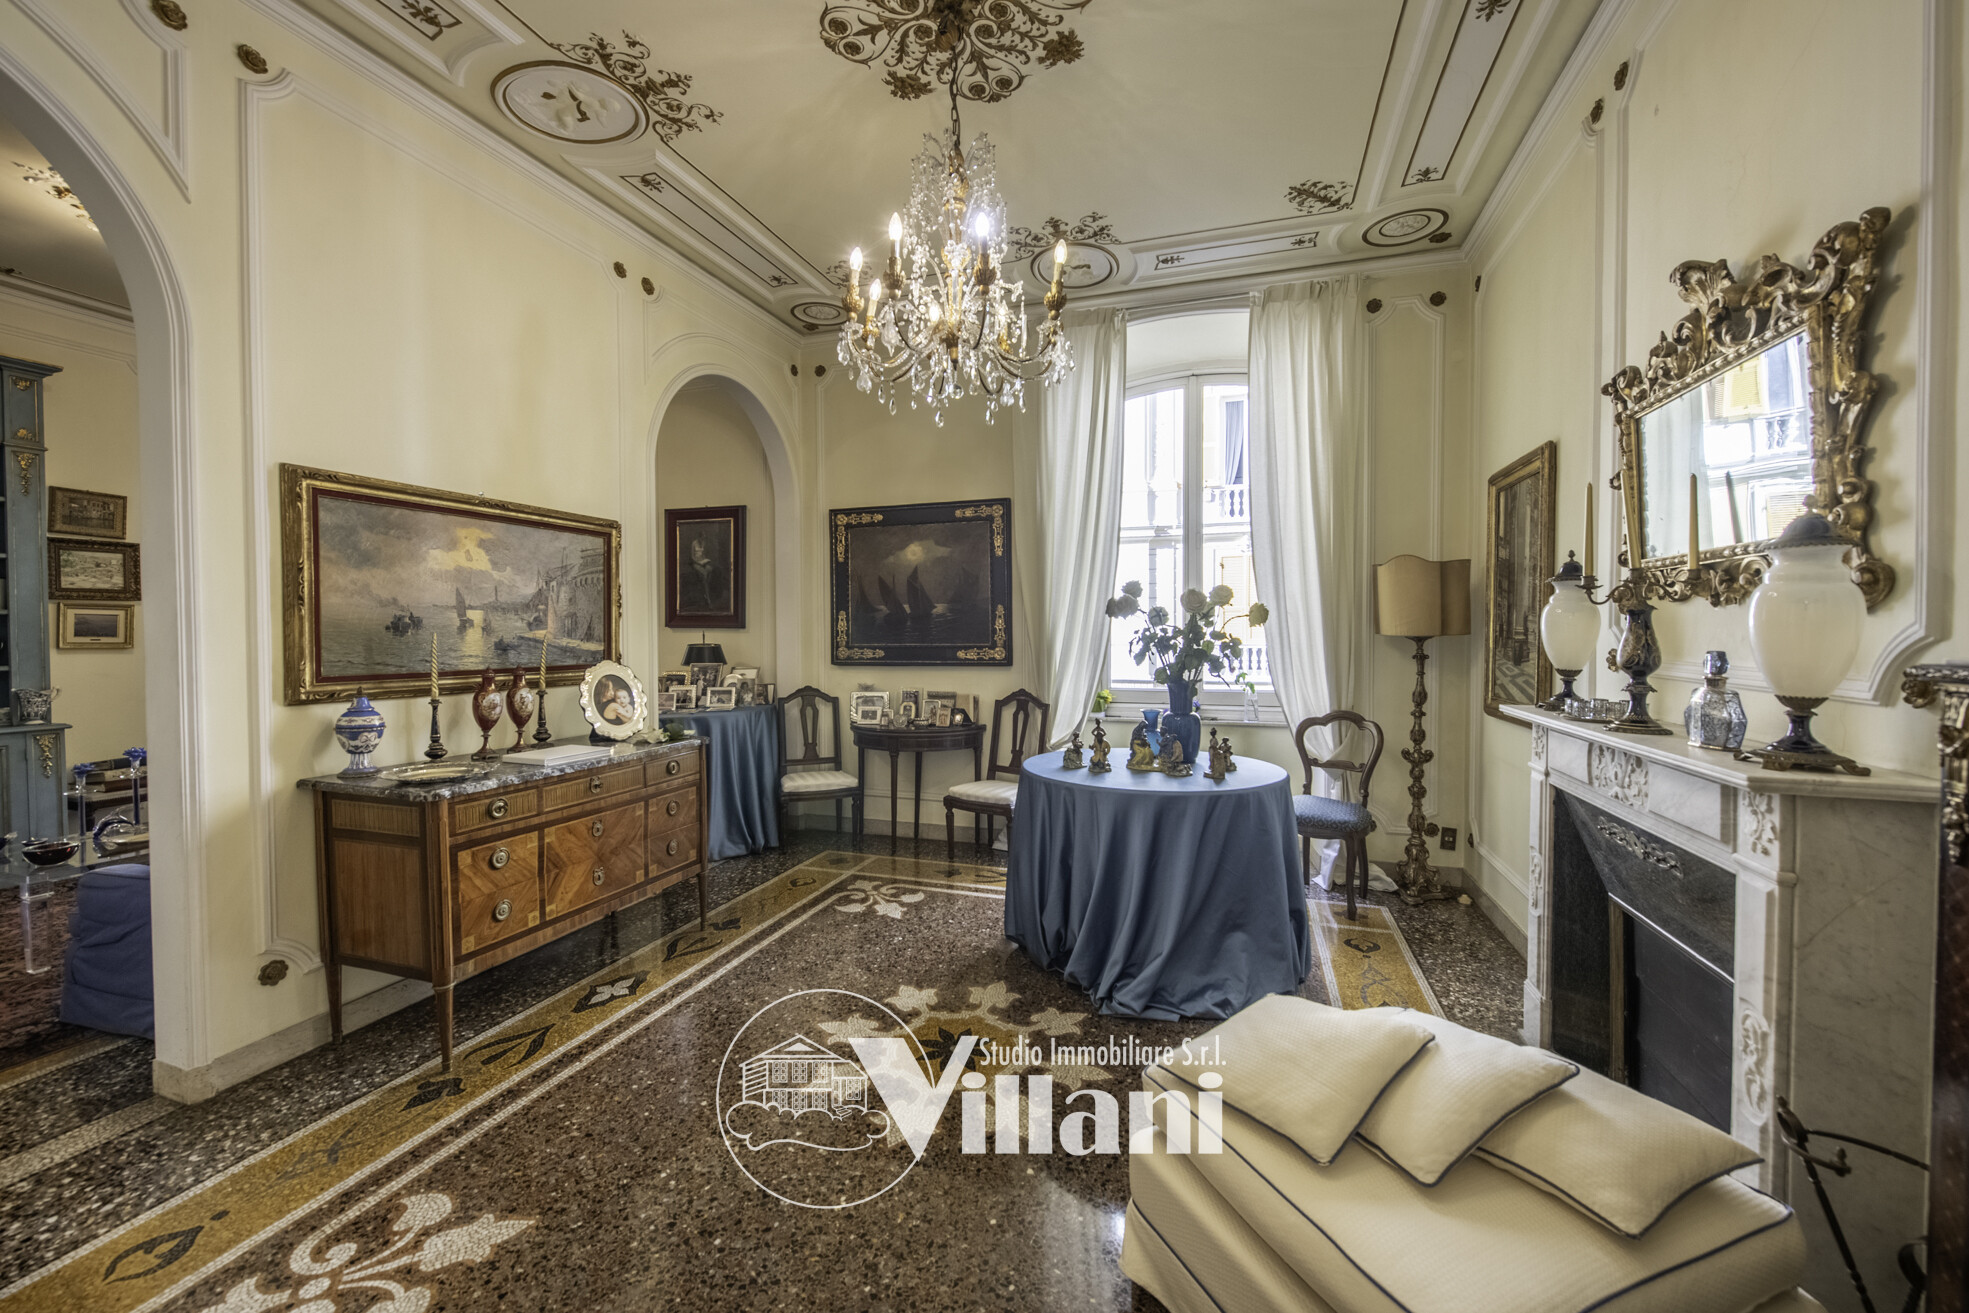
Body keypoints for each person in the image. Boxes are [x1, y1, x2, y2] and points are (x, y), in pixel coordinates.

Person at [677, 531, 730, 615]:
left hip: (702, 561)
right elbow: (692, 557)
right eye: (702, 538)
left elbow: (703, 555)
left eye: (704, 538)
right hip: (695, 563)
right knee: (704, 574)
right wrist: (698, 562)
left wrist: (705, 560)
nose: (703, 540)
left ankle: (706, 588)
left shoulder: (703, 543)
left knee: (712, 569)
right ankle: (708, 599)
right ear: (699, 537)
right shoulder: (694, 543)